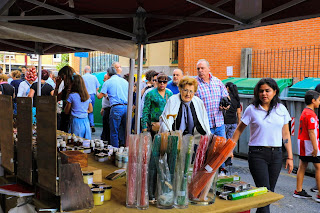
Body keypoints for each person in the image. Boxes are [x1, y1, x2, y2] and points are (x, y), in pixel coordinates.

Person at [232, 78, 293, 213]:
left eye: (267, 90)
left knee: (268, 195)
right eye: (261, 91)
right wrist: (230, 148)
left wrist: (290, 157)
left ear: (275, 92)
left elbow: (286, 134)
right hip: (257, 154)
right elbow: (239, 130)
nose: (264, 94)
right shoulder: (251, 109)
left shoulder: (281, 109)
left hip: (276, 155)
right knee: (264, 193)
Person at [293, 90, 320, 202]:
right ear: (313, 101)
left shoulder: (305, 112)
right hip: (309, 143)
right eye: (318, 100)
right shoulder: (310, 114)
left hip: (303, 142)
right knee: (318, 167)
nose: (319, 102)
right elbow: (311, 132)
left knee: (302, 165)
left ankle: (298, 190)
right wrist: (315, 148)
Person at [195, 59, 229, 137]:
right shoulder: (194, 84)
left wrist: (226, 105)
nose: (200, 70)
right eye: (198, 69)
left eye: (202, 68)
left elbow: (226, 97)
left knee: (222, 148)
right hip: (204, 127)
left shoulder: (217, 82)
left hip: (219, 125)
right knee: (205, 149)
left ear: (209, 68)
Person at [97, 67, 128, 147]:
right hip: (127, 107)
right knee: (124, 130)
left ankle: (115, 150)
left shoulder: (108, 82)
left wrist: (96, 91)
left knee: (114, 131)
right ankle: (123, 148)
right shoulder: (125, 81)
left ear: (107, 74)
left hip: (116, 108)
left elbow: (100, 96)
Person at [64, 75, 93, 140]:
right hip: (85, 121)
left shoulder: (72, 96)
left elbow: (66, 111)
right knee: (85, 142)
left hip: (76, 122)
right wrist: (83, 111)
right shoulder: (87, 96)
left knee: (76, 141)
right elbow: (90, 110)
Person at [54, 65, 75, 132]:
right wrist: (57, 85)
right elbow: (55, 99)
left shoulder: (75, 88)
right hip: (65, 116)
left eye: (62, 78)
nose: (62, 80)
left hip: (71, 117)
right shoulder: (65, 88)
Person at [82, 65, 100, 133]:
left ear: (84, 70)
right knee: (91, 110)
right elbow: (97, 87)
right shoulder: (94, 77)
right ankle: (92, 124)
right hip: (92, 95)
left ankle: (85, 125)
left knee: (84, 110)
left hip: (84, 95)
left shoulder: (82, 77)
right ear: (90, 70)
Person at [100, 73, 111, 142]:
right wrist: (103, 108)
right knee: (105, 127)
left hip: (108, 109)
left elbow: (100, 96)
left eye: (105, 78)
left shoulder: (108, 85)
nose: (103, 80)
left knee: (107, 128)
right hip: (106, 108)